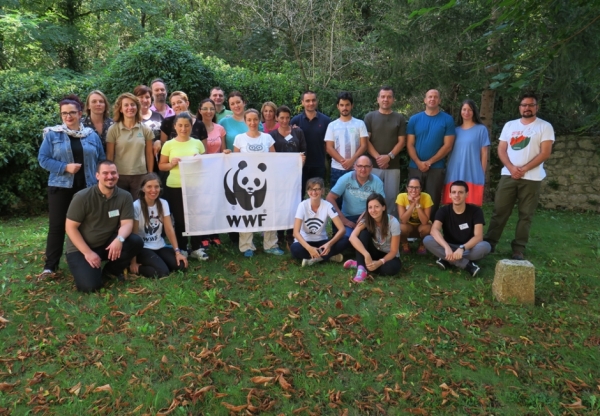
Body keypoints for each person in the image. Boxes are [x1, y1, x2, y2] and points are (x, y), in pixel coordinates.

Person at [38, 94, 106, 278]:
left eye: (72, 113)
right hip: (61, 187)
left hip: (87, 187)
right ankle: (50, 266)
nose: (68, 117)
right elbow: (43, 159)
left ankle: (86, 258)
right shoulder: (53, 135)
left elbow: (101, 159)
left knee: (87, 225)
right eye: (64, 113)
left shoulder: (91, 135)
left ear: (80, 113)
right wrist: (64, 167)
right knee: (57, 226)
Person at [484, 93, 555, 260]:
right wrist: (511, 168)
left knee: (525, 215)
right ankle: (489, 243)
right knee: (499, 211)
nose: (527, 108)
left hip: (532, 178)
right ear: (520, 107)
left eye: (531, 105)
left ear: (536, 107)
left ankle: (518, 249)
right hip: (508, 176)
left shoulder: (544, 127)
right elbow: (501, 149)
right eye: (524, 105)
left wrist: (523, 169)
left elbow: (545, 153)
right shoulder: (510, 125)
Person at [65, 160, 144, 292]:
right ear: (97, 176)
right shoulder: (82, 197)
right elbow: (70, 228)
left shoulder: (125, 196)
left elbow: (127, 223)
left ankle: (110, 271)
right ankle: (87, 267)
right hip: (81, 248)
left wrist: (119, 239)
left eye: (113, 173)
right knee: (90, 287)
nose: (110, 176)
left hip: (106, 243)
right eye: (105, 173)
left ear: (118, 175)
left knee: (135, 242)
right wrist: (88, 253)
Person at [233, 109, 284, 257]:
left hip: (265, 182)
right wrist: (227, 155)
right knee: (246, 212)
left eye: (255, 119)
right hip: (245, 184)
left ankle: (270, 244)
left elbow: (274, 159)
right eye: (249, 120)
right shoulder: (240, 138)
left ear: (259, 120)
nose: (252, 123)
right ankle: (246, 246)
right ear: (245, 121)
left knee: (269, 212)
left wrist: (296, 159)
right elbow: (235, 162)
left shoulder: (267, 138)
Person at [158, 112, 208, 260]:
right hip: (175, 186)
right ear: (175, 126)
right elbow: (161, 166)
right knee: (180, 219)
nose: (183, 128)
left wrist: (199, 161)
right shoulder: (168, 144)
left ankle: (197, 247)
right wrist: (171, 164)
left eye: (186, 125)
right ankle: (182, 247)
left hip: (195, 185)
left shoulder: (197, 143)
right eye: (180, 125)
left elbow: (206, 164)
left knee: (196, 217)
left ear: (191, 127)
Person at [423, 180, 491, 277]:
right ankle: (467, 265)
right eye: (454, 192)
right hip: (449, 246)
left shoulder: (476, 211)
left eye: (460, 192)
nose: (457, 195)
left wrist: (462, 248)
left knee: (485, 246)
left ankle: (446, 259)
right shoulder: (443, 211)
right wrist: (446, 248)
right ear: (450, 195)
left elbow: (478, 237)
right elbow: (434, 230)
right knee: (427, 240)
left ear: (466, 194)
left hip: (468, 247)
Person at [406, 89, 456, 219]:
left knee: (433, 198)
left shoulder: (447, 120)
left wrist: (429, 162)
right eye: (429, 97)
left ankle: (431, 227)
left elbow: (448, 145)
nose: (432, 99)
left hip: (436, 167)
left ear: (439, 100)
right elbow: (409, 144)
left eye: (435, 97)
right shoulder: (414, 119)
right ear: (425, 100)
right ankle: (412, 228)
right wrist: (418, 162)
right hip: (415, 166)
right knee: (413, 195)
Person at [130, 173, 188, 277]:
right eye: (149, 187)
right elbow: (135, 235)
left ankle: (159, 262)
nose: (153, 190)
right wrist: (133, 262)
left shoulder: (163, 203)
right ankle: (139, 268)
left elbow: (169, 229)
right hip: (143, 248)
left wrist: (177, 252)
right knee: (162, 272)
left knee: (181, 265)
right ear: (143, 188)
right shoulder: (136, 206)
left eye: (156, 187)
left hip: (159, 245)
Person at [365, 86, 406, 218]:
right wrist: (379, 158)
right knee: (372, 197)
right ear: (378, 99)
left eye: (389, 97)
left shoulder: (399, 118)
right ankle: (371, 226)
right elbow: (366, 141)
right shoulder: (370, 117)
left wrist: (389, 157)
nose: (385, 99)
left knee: (391, 197)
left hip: (392, 165)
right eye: (383, 96)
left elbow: (402, 141)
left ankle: (390, 227)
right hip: (372, 165)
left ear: (393, 99)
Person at [106, 93, 154, 199]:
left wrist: (150, 175)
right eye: (126, 105)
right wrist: (110, 175)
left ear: (137, 107)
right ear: (121, 109)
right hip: (119, 175)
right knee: (120, 207)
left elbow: (149, 154)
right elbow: (110, 155)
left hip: (140, 175)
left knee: (139, 208)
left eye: (133, 105)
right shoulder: (113, 129)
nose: (130, 108)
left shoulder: (145, 129)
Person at [271, 105, 307, 247]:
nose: (285, 120)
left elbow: (303, 152)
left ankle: (292, 234)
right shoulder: (272, 135)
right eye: (281, 118)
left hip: (295, 176)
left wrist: (300, 166)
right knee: (280, 204)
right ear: (276, 118)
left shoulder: (298, 133)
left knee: (294, 204)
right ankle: (279, 235)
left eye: (287, 117)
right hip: (278, 177)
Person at [442, 99, 490, 206]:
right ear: (460, 111)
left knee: (472, 206)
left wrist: (481, 173)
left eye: (470, 110)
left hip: (473, 172)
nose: (466, 112)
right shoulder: (455, 131)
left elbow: (484, 154)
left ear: (474, 112)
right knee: (452, 205)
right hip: (454, 171)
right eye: (464, 109)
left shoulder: (481, 129)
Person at [290, 178, 347, 266]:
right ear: (307, 191)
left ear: (322, 191)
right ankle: (328, 256)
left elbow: (342, 229)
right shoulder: (302, 205)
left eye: (317, 189)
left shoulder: (327, 205)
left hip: (322, 242)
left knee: (345, 240)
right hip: (305, 242)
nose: (314, 192)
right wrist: (309, 248)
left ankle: (313, 259)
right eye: (311, 189)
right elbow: (295, 233)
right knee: (294, 249)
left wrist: (329, 244)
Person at [345, 193, 401, 282]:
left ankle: (360, 264)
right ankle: (362, 268)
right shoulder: (366, 220)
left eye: (376, 207)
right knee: (363, 234)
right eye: (370, 207)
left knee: (391, 269)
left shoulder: (393, 223)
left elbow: (394, 251)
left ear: (383, 207)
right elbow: (352, 237)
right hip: (373, 252)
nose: (373, 210)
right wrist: (366, 254)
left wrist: (379, 262)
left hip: (388, 255)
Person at [326, 155, 385, 237]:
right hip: (348, 217)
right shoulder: (346, 178)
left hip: (368, 218)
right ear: (355, 167)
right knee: (345, 238)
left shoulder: (377, 182)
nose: (363, 169)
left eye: (366, 166)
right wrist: (343, 220)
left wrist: (366, 215)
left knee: (364, 236)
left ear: (371, 168)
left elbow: (382, 203)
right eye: (360, 166)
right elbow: (329, 198)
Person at [325, 91, 368, 190]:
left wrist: (352, 161)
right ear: (338, 106)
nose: (345, 108)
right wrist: (343, 162)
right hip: (337, 168)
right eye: (342, 105)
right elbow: (329, 147)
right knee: (337, 199)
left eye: (347, 105)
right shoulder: (332, 125)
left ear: (352, 106)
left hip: (357, 168)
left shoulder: (360, 124)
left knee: (356, 198)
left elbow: (364, 145)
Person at [290, 91, 331, 193]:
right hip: (300, 165)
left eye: (313, 100)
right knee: (298, 194)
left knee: (317, 194)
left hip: (318, 164)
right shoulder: (295, 120)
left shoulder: (326, 121)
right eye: (307, 101)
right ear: (302, 102)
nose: (311, 103)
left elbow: (329, 143)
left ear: (316, 101)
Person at [396, 177, 433, 255]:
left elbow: (425, 221)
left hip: (421, 226)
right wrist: (412, 204)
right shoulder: (401, 197)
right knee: (400, 227)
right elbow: (403, 220)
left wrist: (417, 204)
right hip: (408, 226)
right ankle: (405, 244)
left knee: (427, 228)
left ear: (421, 189)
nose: (414, 190)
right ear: (407, 188)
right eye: (411, 187)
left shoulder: (426, 197)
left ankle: (422, 244)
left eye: (417, 187)